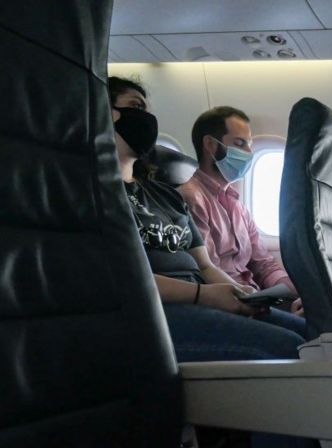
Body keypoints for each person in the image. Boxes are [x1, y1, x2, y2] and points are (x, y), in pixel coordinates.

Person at [107, 77, 306, 362]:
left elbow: (205, 265)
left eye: (149, 111)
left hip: (199, 299)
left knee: (310, 336)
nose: (147, 120)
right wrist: (204, 294)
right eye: (137, 107)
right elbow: (122, 277)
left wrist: (240, 296)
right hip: (155, 311)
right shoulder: (97, 194)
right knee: (288, 347)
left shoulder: (166, 196)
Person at [177, 106, 303, 316]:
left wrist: (293, 291)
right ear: (210, 145)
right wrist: (255, 301)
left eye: (250, 145)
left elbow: (263, 264)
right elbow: (207, 269)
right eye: (239, 144)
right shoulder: (192, 198)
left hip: (253, 297)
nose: (249, 153)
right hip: (227, 304)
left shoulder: (238, 205)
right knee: (303, 331)